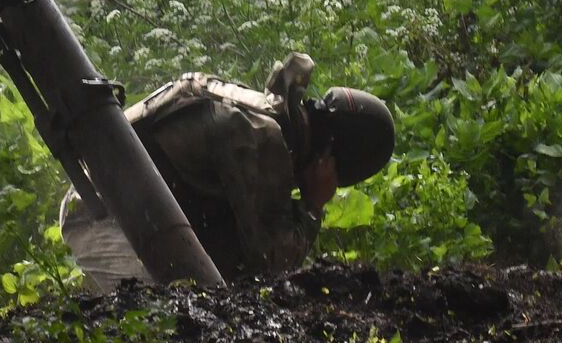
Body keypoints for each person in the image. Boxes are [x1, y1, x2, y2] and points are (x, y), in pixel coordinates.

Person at [60, 53, 396, 291]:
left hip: (124, 215)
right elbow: (271, 265)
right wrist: (312, 207)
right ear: (331, 161)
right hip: (103, 220)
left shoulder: (262, 115)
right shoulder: (264, 139)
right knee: (160, 328)